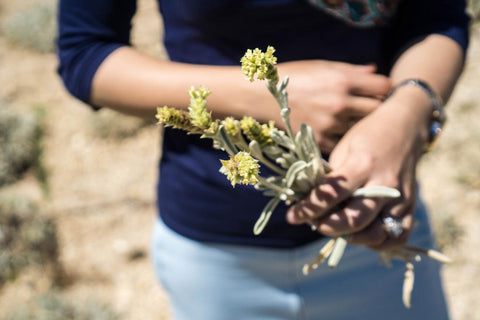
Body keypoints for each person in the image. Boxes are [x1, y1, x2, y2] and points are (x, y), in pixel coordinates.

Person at [57, 0, 469, 319]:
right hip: (220, 257)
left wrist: (408, 114)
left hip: (376, 225)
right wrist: (264, 93)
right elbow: (86, 51)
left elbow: (438, 16)